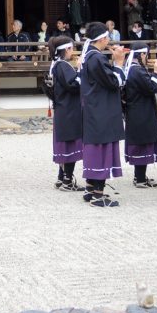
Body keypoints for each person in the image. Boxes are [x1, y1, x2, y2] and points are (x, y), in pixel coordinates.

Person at [79, 21, 127, 208]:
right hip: (102, 110)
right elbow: (115, 82)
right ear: (104, 39)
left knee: (94, 147)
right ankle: (98, 195)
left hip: (94, 108)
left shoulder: (89, 56)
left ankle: (90, 189)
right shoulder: (97, 59)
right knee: (101, 149)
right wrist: (119, 63)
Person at [122, 43, 157, 188]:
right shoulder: (137, 71)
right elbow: (151, 88)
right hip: (141, 112)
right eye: (146, 54)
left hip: (137, 111)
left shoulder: (132, 70)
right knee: (142, 145)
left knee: (141, 144)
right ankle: (140, 179)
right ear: (141, 55)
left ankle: (139, 177)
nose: (147, 58)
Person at [47, 36, 83, 192]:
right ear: (67, 49)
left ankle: (62, 179)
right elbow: (73, 85)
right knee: (70, 146)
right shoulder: (63, 66)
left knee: (65, 145)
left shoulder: (57, 65)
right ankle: (67, 181)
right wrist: (81, 71)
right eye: (71, 48)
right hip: (69, 110)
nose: (73, 51)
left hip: (63, 109)